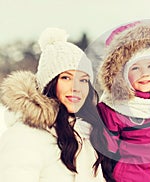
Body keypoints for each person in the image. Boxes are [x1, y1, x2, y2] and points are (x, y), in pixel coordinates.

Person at [0, 28, 107, 182]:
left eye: (83, 79)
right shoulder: (25, 135)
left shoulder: (86, 134)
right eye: (66, 78)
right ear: (49, 83)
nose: (76, 87)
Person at [97, 21, 150, 181]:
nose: (145, 74)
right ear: (123, 75)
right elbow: (106, 153)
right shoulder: (114, 109)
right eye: (135, 68)